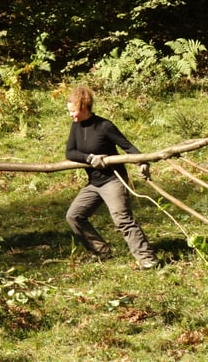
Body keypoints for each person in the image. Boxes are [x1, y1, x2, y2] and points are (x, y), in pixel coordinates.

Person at [63, 86, 158, 269]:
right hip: (94, 183)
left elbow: (127, 146)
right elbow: (70, 152)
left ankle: (147, 259)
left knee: (122, 219)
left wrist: (142, 162)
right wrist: (89, 158)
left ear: (84, 107)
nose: (71, 115)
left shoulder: (104, 126)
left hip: (113, 180)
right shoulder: (76, 126)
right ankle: (101, 251)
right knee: (74, 216)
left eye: (73, 111)